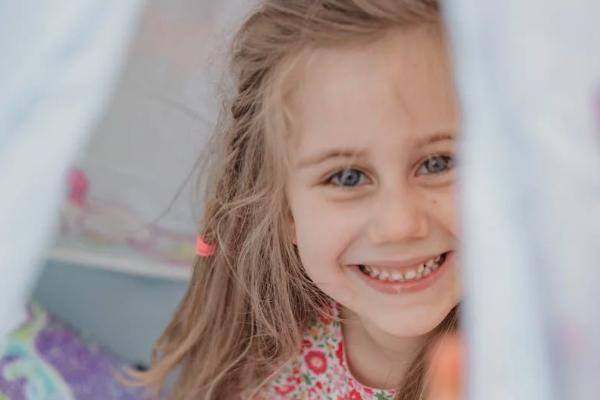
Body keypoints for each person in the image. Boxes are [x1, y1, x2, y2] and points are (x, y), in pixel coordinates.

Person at [134, 1, 462, 399]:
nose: (399, 225)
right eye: (347, 177)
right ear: (285, 211)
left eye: (438, 163)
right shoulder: (265, 354)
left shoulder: (528, 368)